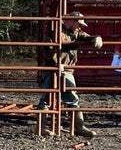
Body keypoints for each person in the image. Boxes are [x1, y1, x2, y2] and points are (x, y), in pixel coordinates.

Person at [36, 11, 102, 139]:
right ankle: (41, 127)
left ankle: (79, 126)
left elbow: (86, 37)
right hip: (52, 68)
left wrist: (96, 38)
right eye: (78, 24)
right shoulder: (54, 32)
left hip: (67, 69)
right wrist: (56, 63)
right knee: (47, 97)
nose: (80, 27)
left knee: (72, 97)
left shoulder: (76, 33)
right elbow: (49, 49)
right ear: (71, 22)